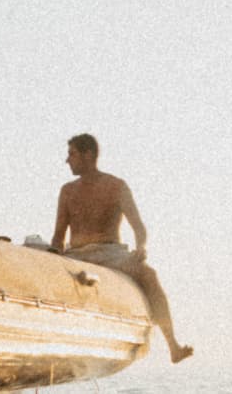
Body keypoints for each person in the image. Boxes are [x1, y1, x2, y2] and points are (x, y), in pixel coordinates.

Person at [51, 133, 193, 364]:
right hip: (76, 255)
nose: (67, 160)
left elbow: (139, 227)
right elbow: (58, 235)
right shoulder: (67, 190)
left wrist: (141, 247)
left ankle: (173, 346)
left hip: (110, 254)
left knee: (148, 274)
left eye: (72, 154)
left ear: (89, 155)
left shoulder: (116, 186)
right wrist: (52, 256)